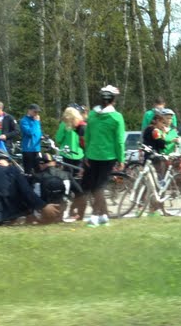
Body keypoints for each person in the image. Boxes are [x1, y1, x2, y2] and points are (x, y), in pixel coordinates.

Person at [81, 85, 125, 227]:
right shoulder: (116, 117)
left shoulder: (93, 115)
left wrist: (86, 153)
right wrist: (121, 159)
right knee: (99, 186)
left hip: (92, 154)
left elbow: (87, 135)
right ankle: (96, 216)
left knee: (95, 186)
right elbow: (119, 141)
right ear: (113, 100)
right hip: (108, 156)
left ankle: (102, 215)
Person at [31, 151, 83, 220]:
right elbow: (80, 192)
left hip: (43, 216)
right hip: (64, 214)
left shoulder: (37, 177)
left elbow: (31, 197)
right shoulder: (67, 174)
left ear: (41, 165)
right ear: (54, 163)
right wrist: (74, 209)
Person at [54, 106, 85, 174]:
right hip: (80, 154)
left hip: (67, 153)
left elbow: (58, 139)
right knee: (78, 176)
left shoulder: (64, 123)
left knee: (68, 176)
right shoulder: (82, 124)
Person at [19, 104, 42, 174]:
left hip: (37, 148)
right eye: (35, 112)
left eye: (37, 112)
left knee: (38, 169)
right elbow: (30, 132)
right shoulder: (24, 121)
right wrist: (36, 122)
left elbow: (38, 131)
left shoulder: (35, 121)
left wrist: (41, 136)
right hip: (28, 149)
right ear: (29, 111)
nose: (36, 114)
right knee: (28, 170)